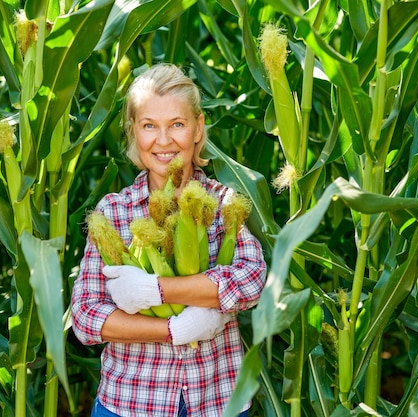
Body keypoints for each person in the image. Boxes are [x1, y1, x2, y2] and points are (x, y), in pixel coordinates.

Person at [71, 63, 267, 417]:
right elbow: (86, 317)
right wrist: (173, 329)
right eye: (149, 126)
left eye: (176, 124)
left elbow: (251, 280)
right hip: (129, 404)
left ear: (198, 128)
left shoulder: (223, 203)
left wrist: (156, 290)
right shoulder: (114, 211)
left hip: (217, 402)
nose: (163, 141)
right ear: (134, 132)